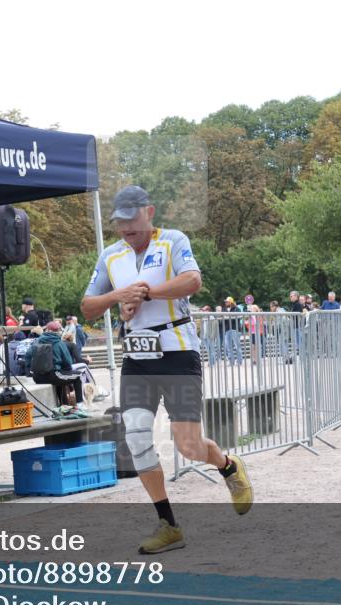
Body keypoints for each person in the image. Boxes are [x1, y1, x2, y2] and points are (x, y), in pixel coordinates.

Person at [81, 184, 252, 554]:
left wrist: (145, 292)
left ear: (149, 212)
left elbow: (193, 280)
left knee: (189, 445)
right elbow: (88, 306)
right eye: (119, 222)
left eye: (132, 219)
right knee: (137, 436)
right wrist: (119, 298)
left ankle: (226, 465)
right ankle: (168, 524)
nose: (126, 228)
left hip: (177, 351)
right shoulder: (111, 256)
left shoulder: (172, 241)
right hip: (137, 358)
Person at [25, 321, 86, 407]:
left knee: (60, 376)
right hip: (52, 376)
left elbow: (27, 355)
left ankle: (62, 405)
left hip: (37, 377)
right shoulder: (59, 343)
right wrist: (67, 370)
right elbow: (68, 362)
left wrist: (30, 371)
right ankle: (80, 406)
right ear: (58, 331)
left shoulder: (37, 341)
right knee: (78, 376)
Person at [221, 297, 244, 365]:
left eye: (227, 302)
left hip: (235, 329)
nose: (226, 303)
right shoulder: (224, 309)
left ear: (231, 302)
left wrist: (227, 317)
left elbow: (237, 318)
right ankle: (231, 361)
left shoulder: (237, 309)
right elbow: (223, 319)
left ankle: (239, 360)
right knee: (228, 346)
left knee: (237, 346)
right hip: (227, 329)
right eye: (225, 302)